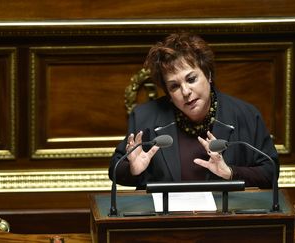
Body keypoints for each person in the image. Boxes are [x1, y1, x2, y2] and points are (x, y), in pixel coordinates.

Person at [109, 32, 279, 190]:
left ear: (208, 75)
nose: (185, 92)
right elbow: (115, 170)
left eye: (191, 79)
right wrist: (133, 170)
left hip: (224, 219)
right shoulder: (145, 117)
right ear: (168, 93)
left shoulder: (245, 115)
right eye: (174, 86)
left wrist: (231, 173)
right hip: (167, 220)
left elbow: (270, 172)